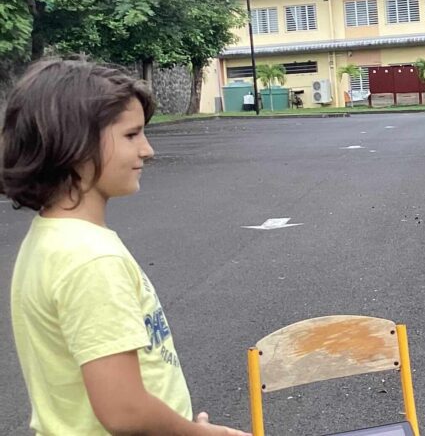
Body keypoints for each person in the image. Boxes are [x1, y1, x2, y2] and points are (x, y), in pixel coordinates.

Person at [2, 59, 248, 435]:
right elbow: (124, 410)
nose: (147, 150)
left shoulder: (49, 239)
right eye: (132, 136)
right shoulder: (91, 258)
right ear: (74, 145)